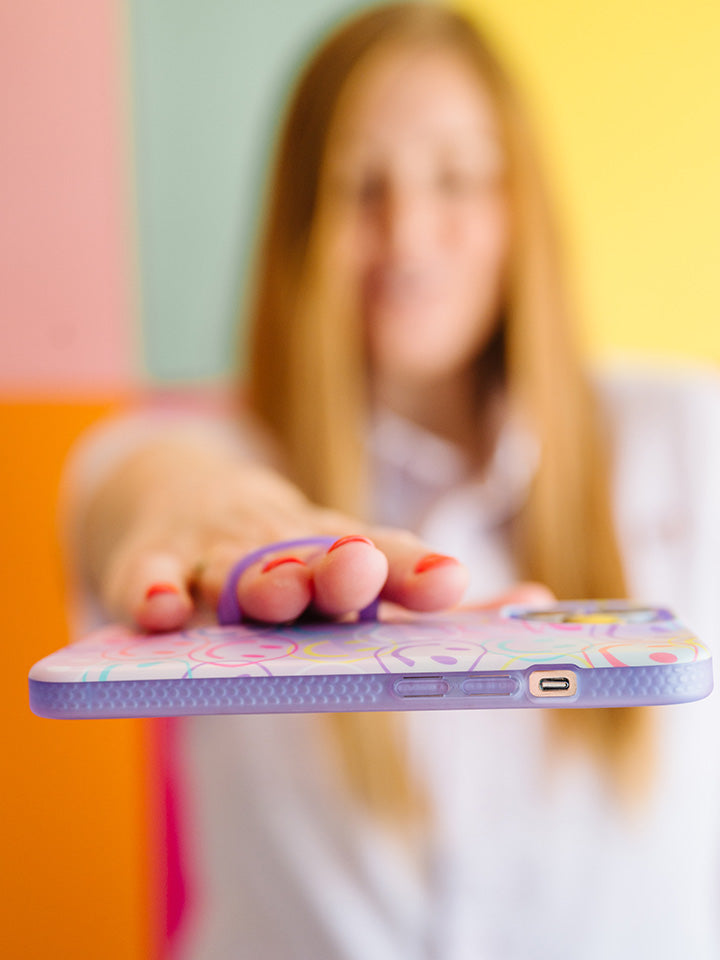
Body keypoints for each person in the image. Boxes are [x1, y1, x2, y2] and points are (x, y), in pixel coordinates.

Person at [58, 3, 720, 958]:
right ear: (298, 223)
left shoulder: (690, 437)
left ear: (518, 207)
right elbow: (134, 487)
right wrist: (203, 515)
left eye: (455, 178)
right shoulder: (193, 452)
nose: (408, 232)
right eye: (357, 185)